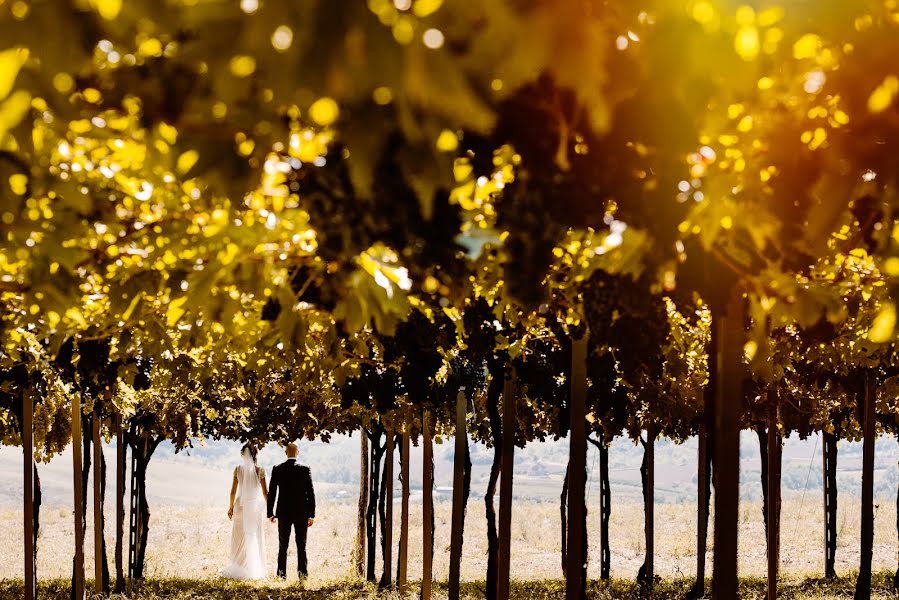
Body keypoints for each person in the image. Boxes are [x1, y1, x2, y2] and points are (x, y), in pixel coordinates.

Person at [267, 442, 316, 580]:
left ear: (285, 453)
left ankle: (281, 575)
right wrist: (312, 514)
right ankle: (303, 576)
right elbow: (310, 493)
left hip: (283, 512)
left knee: (283, 545)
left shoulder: (277, 469)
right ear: (298, 453)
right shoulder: (305, 469)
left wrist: (270, 512)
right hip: (302, 513)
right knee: (301, 545)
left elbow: (272, 492)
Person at [221, 444, 268, 580]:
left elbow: (233, 492)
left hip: (240, 507)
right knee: (254, 536)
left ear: (243, 455)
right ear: (255, 455)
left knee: (238, 537)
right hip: (253, 508)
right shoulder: (260, 471)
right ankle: (254, 569)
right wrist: (269, 508)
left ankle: (238, 566)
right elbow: (265, 492)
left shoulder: (237, 470)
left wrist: (230, 507)